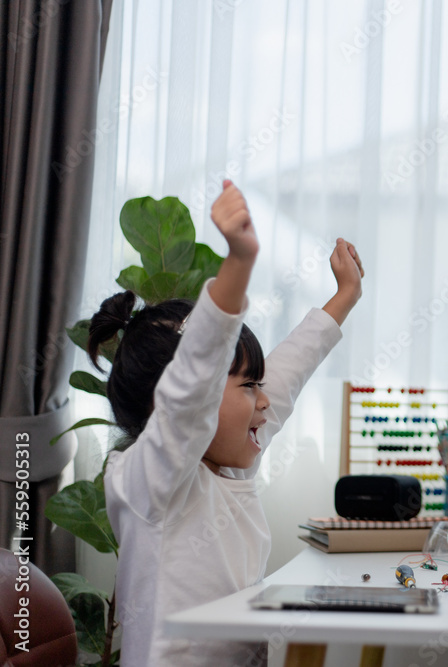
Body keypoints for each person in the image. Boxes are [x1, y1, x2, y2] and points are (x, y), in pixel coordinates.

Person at [88, 180, 364, 666]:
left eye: (258, 385)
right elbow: (192, 390)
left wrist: (344, 296)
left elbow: (287, 372)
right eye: (247, 386)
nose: (264, 402)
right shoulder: (150, 483)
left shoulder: (230, 465)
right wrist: (237, 263)